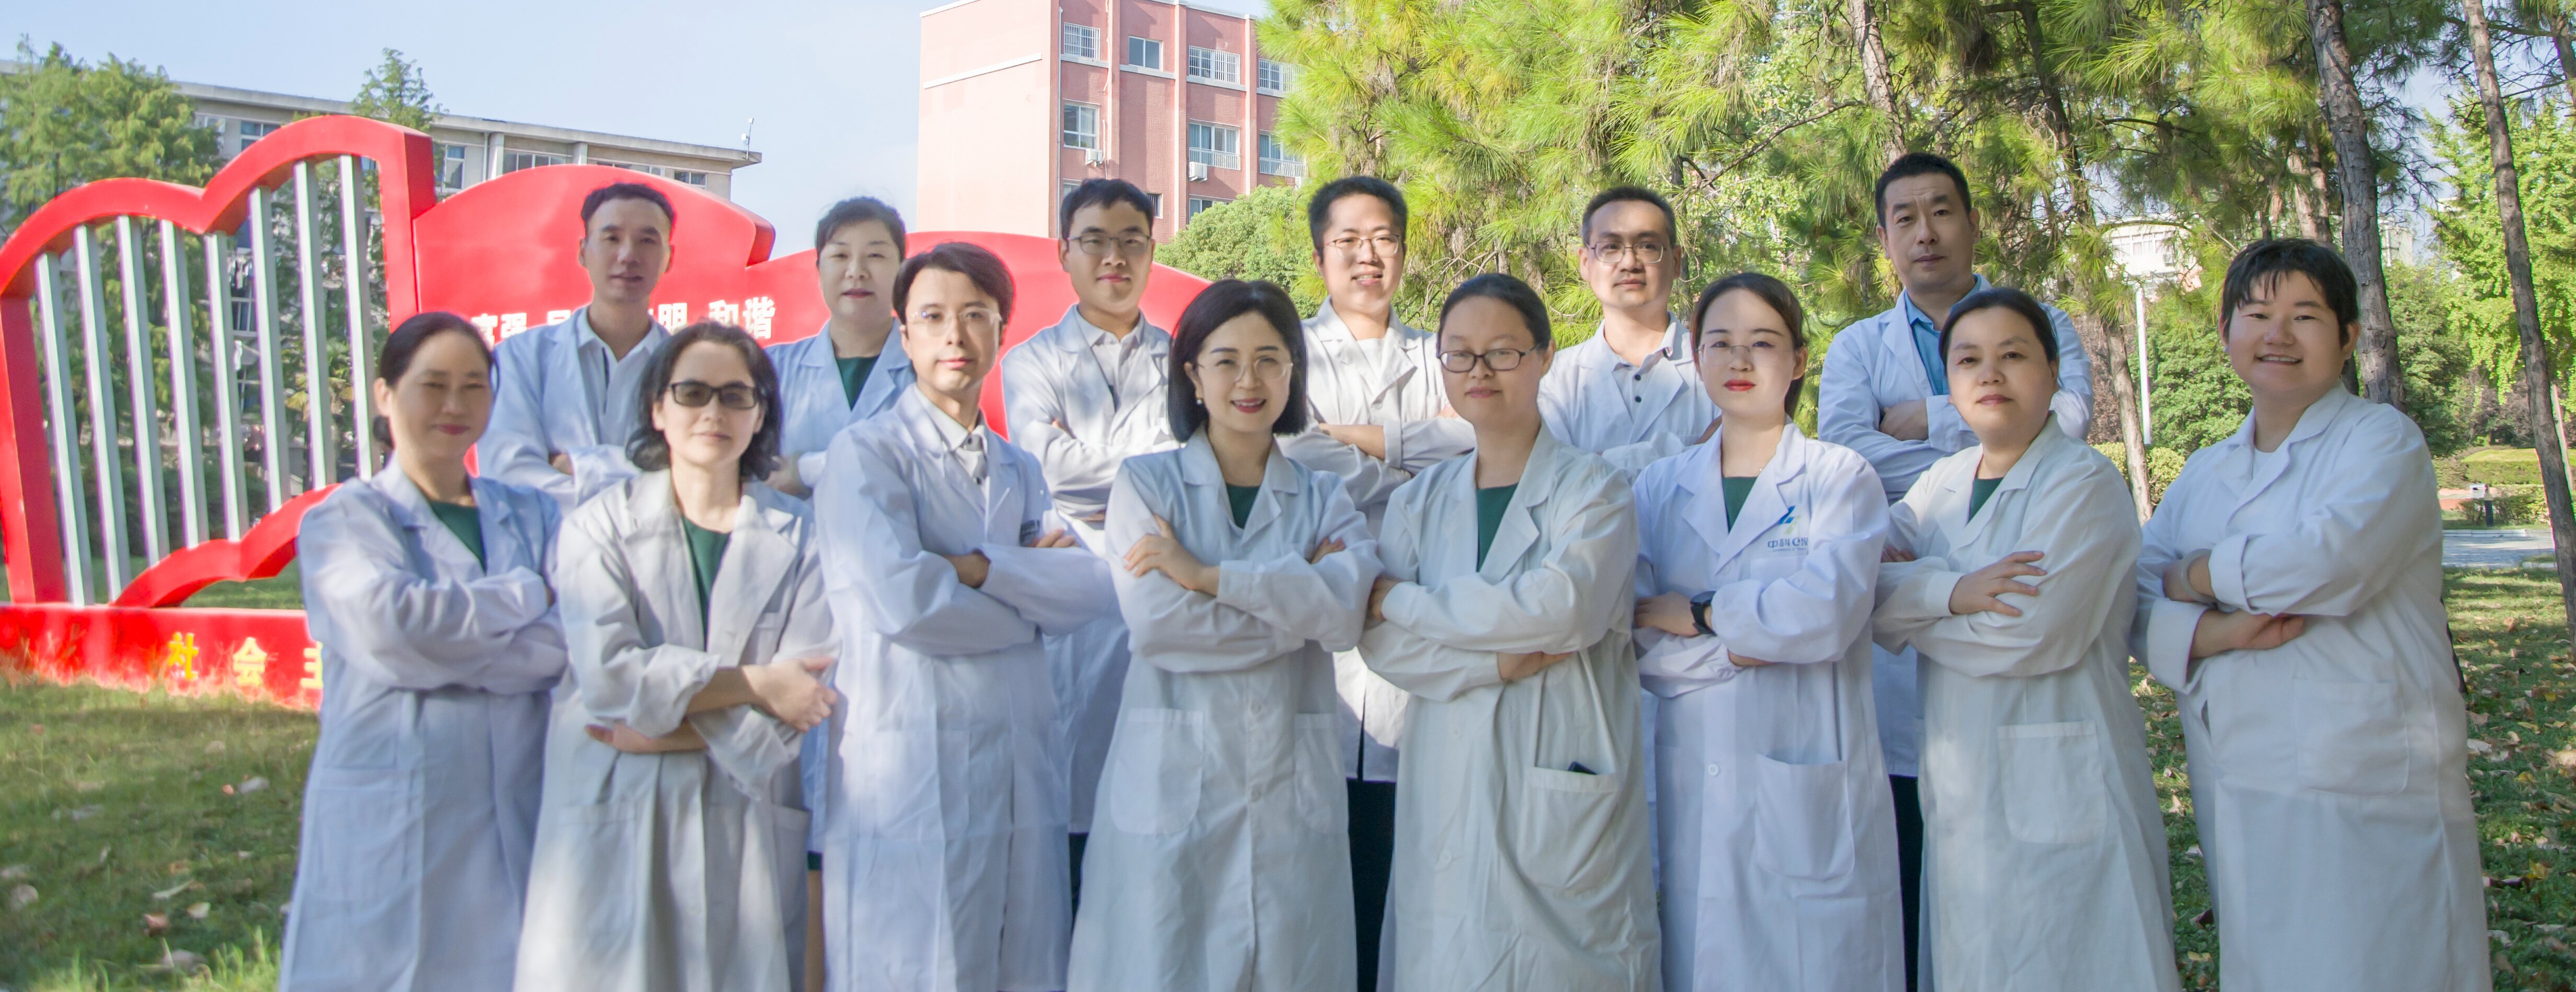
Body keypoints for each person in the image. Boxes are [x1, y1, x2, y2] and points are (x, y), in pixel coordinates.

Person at [2133, 240, 2488, 991]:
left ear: (2348, 336)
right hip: (2241, 776)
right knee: (2272, 963)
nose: (2278, 336)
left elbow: (2325, 564)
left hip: (2365, 777)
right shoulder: (2205, 470)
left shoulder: (2382, 442)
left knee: (2381, 963)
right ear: (2226, 331)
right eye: (2257, 314)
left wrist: (2195, 573)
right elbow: (2133, 593)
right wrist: (2209, 631)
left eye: (2305, 316)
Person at [1817, 152, 2094, 985]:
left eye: (1941, 210)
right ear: (1884, 238)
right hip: (1902, 698)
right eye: (1904, 218)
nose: (1925, 232)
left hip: (2024, 684)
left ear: (1972, 222)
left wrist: (1926, 416)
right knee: (1915, 899)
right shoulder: (1857, 346)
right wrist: (1980, 448)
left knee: (2030, 918)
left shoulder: (2045, 320)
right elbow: (1849, 458)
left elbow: (2065, 426)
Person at [814, 242, 1114, 992]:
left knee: (1021, 958)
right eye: (933, 317)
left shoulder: (1021, 467)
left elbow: (1089, 589)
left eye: (975, 315)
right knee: (922, 965)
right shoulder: (867, 455)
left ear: (1002, 330)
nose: (955, 335)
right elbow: (906, 601)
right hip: (914, 763)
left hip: (1017, 757)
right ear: (903, 334)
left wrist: (978, 568)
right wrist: (1027, 600)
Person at [1067, 279, 1380, 991]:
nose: (1249, 381)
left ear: (1294, 372)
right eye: (1227, 360)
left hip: (1289, 797)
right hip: (1173, 788)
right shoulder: (1146, 487)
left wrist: (1207, 577)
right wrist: (1295, 599)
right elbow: (1161, 628)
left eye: (1270, 360)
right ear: (1192, 374)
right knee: (1163, 962)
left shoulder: (1324, 495)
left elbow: (1342, 617)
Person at [516, 322, 840, 991]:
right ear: (658, 408)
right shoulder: (598, 526)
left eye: (735, 395)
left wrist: (658, 732)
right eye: (692, 393)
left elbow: (802, 700)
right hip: (618, 802)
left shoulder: (803, 536)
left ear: (760, 416)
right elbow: (610, 677)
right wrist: (755, 683)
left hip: (740, 810)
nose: (713, 412)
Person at [1870, 288, 2178, 991]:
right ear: (1949, 383)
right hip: (1962, 786)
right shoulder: (1941, 482)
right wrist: (1952, 592)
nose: (1990, 374)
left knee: (2078, 961)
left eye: (2012, 355)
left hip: (2066, 786)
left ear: (2051, 371)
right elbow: (1863, 593)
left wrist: (1911, 601)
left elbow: (2027, 631)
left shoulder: (2082, 483)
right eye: (1968, 360)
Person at [1362, 273, 1659, 990]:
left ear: (1545, 355)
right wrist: (1492, 665)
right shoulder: (1417, 501)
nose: (1479, 371)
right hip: (1446, 780)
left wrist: (1405, 602)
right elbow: (1380, 646)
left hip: (1564, 783)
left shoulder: (1595, 490)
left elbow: (1562, 609)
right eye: (1459, 354)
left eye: (1502, 352)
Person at [1630, 273, 1903, 991]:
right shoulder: (1657, 488)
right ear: (1696, 356)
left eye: (1762, 343)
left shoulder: (1840, 478)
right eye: (1720, 342)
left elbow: (1825, 617)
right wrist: (1757, 640)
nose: (1740, 360)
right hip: (1694, 786)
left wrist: (1701, 616)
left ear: (1800, 359)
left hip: (1809, 787)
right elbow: (1639, 639)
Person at [280, 312, 567, 991]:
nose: (453, 405)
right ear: (385, 394)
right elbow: (395, 628)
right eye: (432, 384)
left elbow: (572, 639)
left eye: (474, 386)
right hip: (394, 805)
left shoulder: (536, 513)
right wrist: (526, 595)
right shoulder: (345, 520)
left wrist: (445, 650)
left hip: (515, 800)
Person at [1272, 176, 1470, 988]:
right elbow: (1295, 452)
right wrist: (1412, 462)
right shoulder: (1286, 353)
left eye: (1383, 237)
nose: (1367, 255)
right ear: (1319, 253)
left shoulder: (1440, 353)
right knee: (1316, 881)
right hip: (1320, 639)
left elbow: (1478, 438)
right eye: (1347, 240)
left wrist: (1362, 438)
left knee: (1408, 871)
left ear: (1404, 249)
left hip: (1417, 627)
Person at [1000, 177, 1180, 889]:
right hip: (1073, 615)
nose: (1115, 258)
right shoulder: (1030, 361)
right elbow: (1049, 470)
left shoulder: (1187, 363)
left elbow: (1193, 477)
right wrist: (1154, 472)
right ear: (1064, 253)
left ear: (1152, 251)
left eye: (1131, 241)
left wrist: (1096, 468)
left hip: (1162, 604)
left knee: (1155, 847)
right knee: (1070, 845)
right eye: (1095, 241)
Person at [484, 181, 680, 509]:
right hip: (550, 543)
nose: (628, 256)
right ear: (582, 252)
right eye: (612, 238)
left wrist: (578, 466)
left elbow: (696, 478)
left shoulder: (686, 369)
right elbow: (509, 478)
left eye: (647, 241)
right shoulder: (520, 357)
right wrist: (645, 479)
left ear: (669, 258)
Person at [1537, 185, 1718, 477]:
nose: (1630, 263)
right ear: (1585, 263)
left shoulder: (1717, 369)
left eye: (1647, 246)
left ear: (1675, 261)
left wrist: (1592, 464)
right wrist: (1690, 455)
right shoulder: (1553, 380)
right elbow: (1547, 477)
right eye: (1611, 247)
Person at [766, 196, 915, 498]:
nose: (856, 271)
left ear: (902, 270)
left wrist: (802, 471)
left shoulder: (927, 370)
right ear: (819, 270)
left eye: (875, 255)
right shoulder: (772, 369)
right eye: (840, 256)